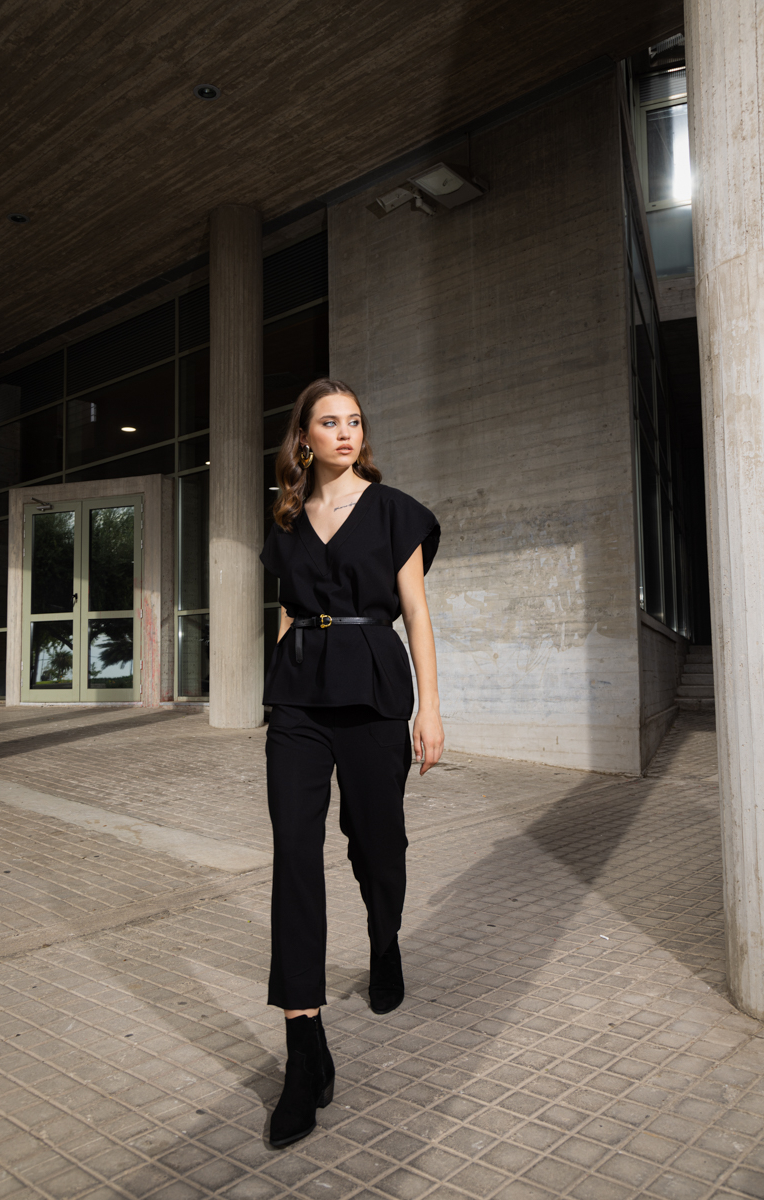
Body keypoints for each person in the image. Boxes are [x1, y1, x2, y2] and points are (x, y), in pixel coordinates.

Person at [260, 377, 444, 1148]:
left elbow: (416, 613)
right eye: (329, 422)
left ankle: (384, 935)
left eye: (354, 422)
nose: (345, 432)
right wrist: (276, 683)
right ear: (303, 436)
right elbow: (287, 609)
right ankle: (305, 1053)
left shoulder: (394, 509)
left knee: (378, 844)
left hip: (372, 688)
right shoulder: (287, 514)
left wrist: (429, 708)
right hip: (299, 698)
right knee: (294, 857)